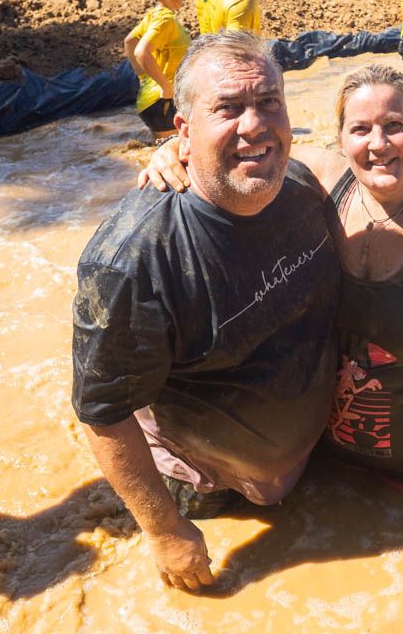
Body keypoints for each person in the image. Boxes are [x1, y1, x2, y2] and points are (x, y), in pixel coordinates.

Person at [142, 63, 403, 499]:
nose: (378, 144)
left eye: (394, 126)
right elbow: (238, 154)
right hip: (322, 452)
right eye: (360, 129)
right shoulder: (319, 182)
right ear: (340, 139)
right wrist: (176, 148)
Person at [72, 31, 340, 591]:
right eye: (228, 108)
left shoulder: (302, 184)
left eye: (269, 102)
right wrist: (165, 530)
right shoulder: (133, 257)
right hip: (207, 492)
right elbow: (103, 410)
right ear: (183, 132)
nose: (255, 125)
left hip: (314, 461)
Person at [123, 0, 189, 138]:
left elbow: (129, 42)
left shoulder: (153, 14)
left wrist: (143, 77)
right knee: (175, 157)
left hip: (151, 99)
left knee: (166, 155)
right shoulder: (165, 19)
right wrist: (165, 87)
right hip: (163, 101)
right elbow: (140, 50)